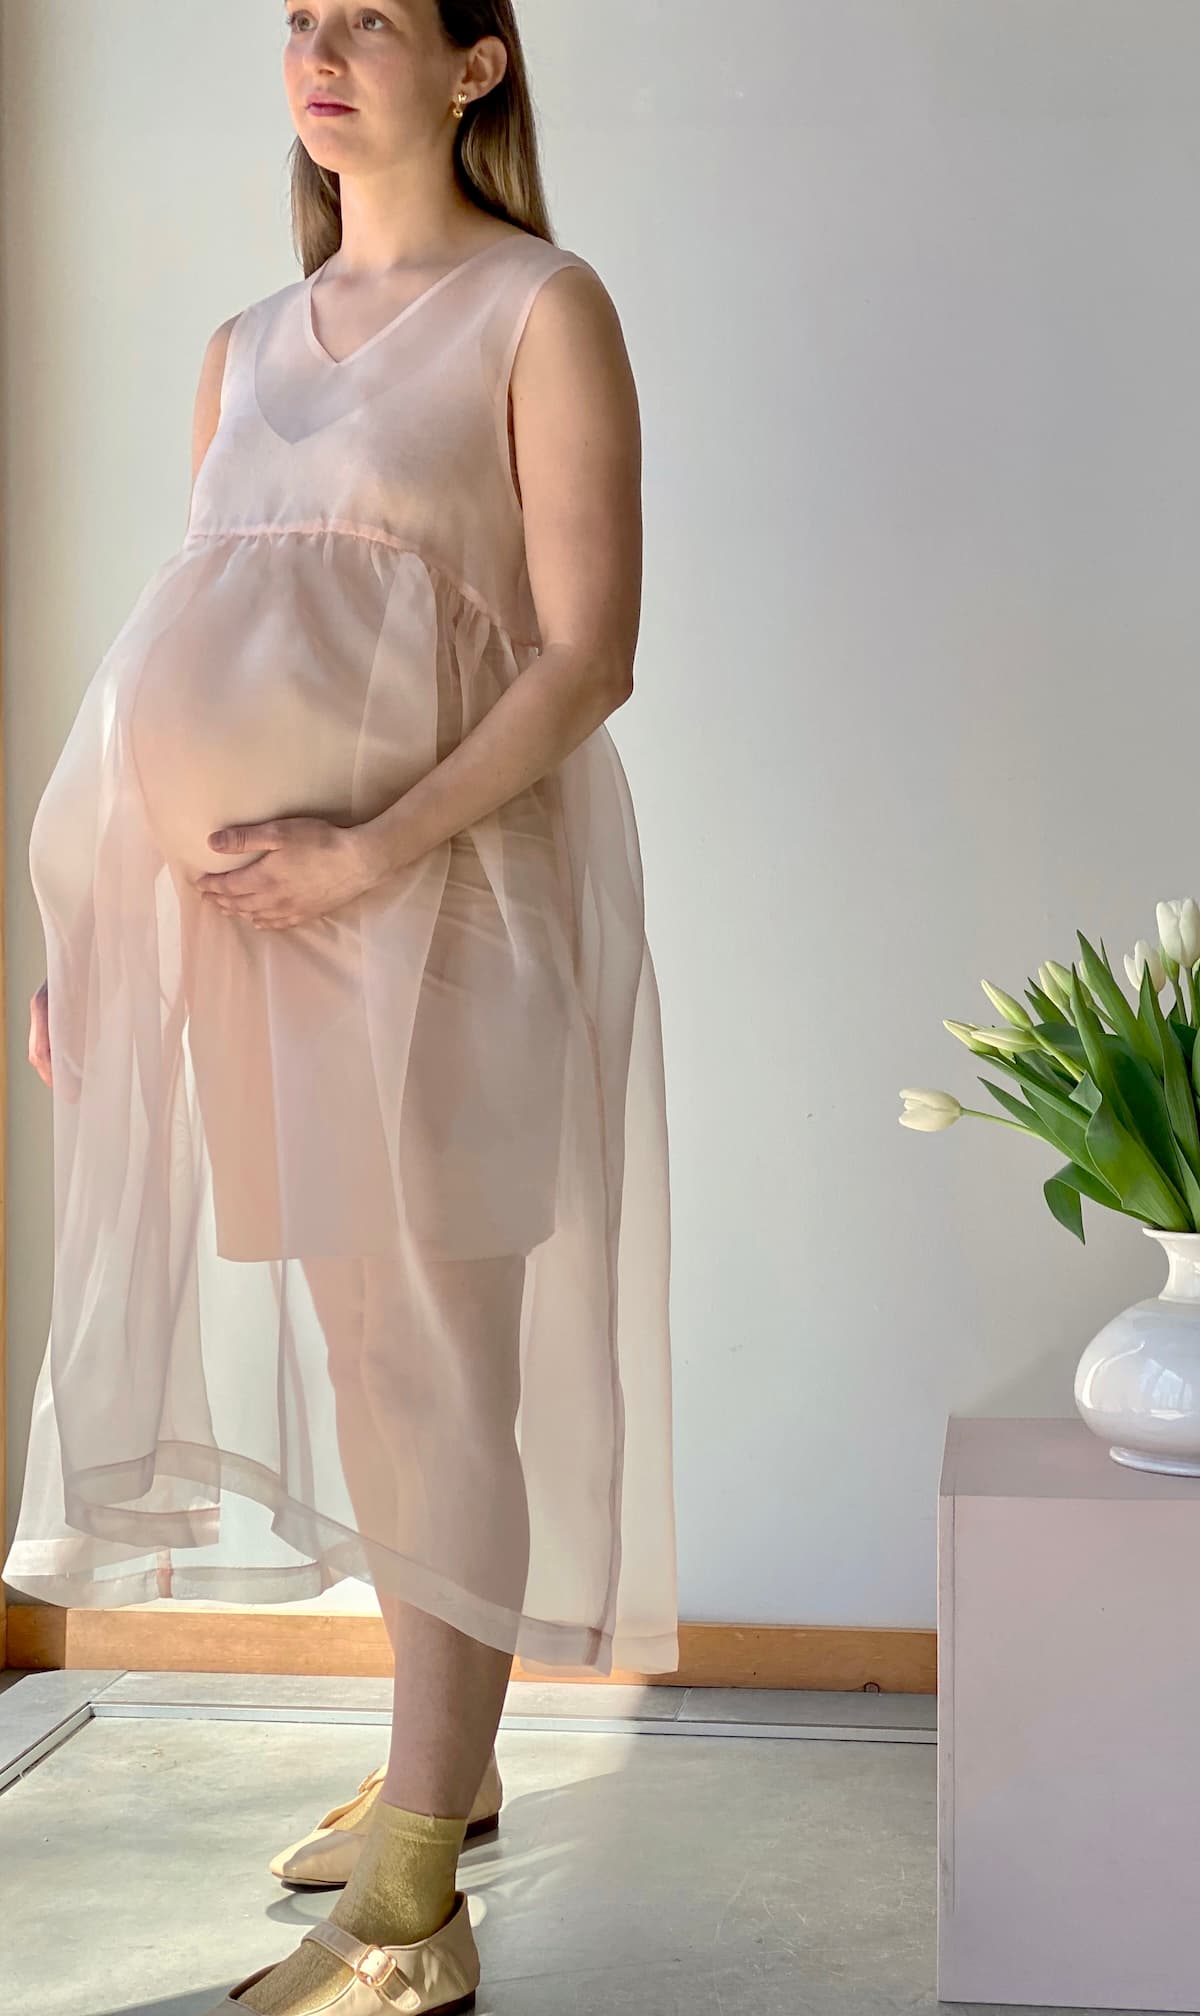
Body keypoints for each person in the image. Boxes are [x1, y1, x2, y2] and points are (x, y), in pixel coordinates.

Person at [2, 3, 678, 2012]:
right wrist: (100, 940)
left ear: (476, 66)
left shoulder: (542, 309)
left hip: (445, 910)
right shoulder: (245, 343)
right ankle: (435, 1778)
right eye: (300, 18)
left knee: (440, 1362)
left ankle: (412, 1903)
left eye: (370, 16)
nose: (321, 47)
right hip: (255, 943)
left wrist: (361, 856)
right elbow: (183, 646)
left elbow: (586, 660)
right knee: (370, 1354)